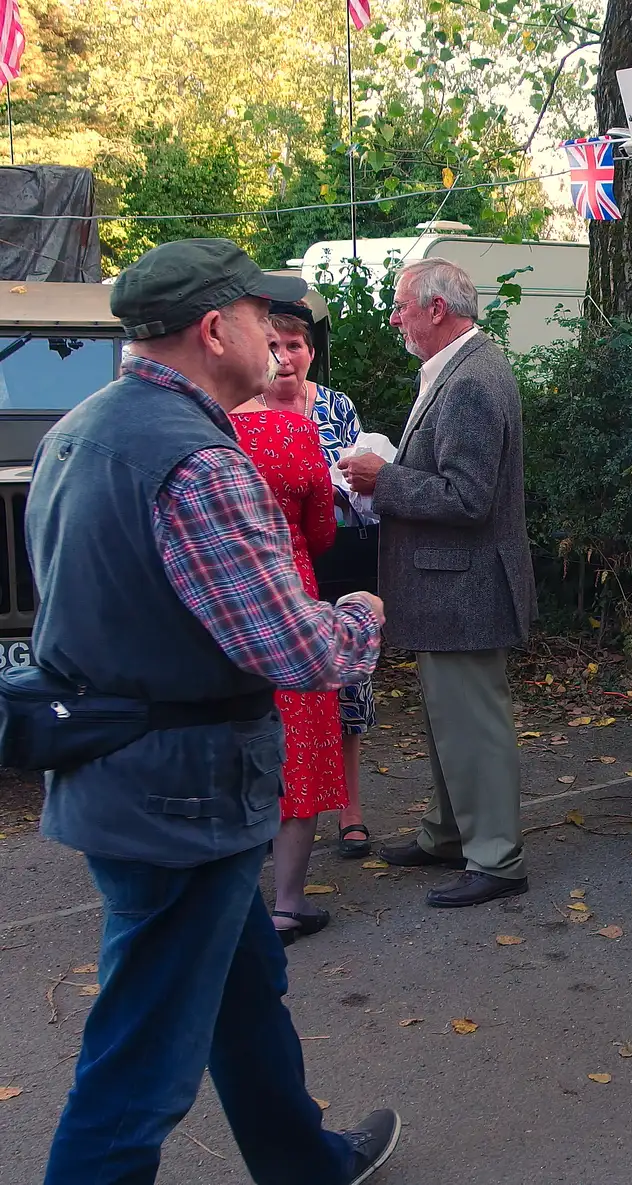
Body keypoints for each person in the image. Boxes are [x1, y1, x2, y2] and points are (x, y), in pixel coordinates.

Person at [28, 238, 401, 1184]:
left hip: (127, 778)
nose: (278, 337)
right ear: (213, 328)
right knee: (140, 1065)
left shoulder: (76, 429)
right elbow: (295, 650)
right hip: (182, 797)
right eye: (259, 318)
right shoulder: (198, 461)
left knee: (244, 989)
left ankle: (304, 1161)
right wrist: (359, 613)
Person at [341, 257, 537, 909]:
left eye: (401, 306)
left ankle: (496, 857)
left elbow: (469, 497)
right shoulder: (464, 366)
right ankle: (450, 834)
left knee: (473, 725)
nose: (394, 317)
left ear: (436, 309)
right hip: (452, 587)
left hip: (466, 587)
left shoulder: (472, 378)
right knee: (448, 721)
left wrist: (382, 478)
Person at [232, 349, 345, 943]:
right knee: (297, 743)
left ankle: (230, 897)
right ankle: (287, 902)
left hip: (220, 605)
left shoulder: (203, 431)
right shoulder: (295, 431)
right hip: (290, 598)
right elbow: (323, 529)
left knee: (231, 736)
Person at [262, 301, 376, 860]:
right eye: (273, 347)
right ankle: (270, 811)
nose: (284, 358)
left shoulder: (336, 408)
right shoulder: (237, 410)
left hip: (333, 562)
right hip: (269, 573)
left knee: (345, 690)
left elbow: (358, 488)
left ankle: (350, 810)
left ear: (311, 352)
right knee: (272, 699)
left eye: (294, 346)